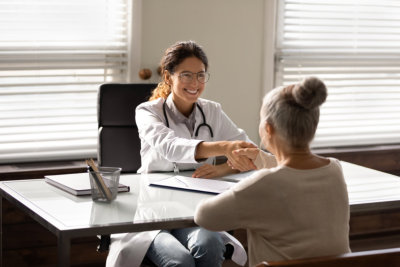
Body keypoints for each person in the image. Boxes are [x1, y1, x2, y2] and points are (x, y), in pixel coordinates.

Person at [106, 41, 254, 267]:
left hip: (196, 213)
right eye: (186, 75)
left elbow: (250, 149)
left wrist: (221, 168)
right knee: (179, 260)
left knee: (211, 245)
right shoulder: (147, 112)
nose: (195, 83)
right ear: (168, 77)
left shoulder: (212, 111)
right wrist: (223, 147)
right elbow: (171, 147)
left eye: (201, 75)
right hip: (153, 215)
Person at [195, 77, 351, 266]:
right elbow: (294, 173)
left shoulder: (263, 184)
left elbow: (204, 216)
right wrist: (262, 158)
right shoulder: (334, 169)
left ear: (268, 129)